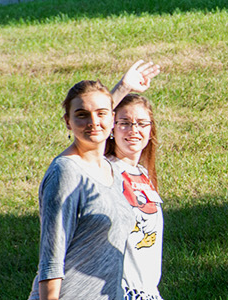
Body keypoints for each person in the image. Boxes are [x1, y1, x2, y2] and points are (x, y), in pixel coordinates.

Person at [29, 61, 161, 300]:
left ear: (111, 118)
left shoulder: (110, 171)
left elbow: (98, 112)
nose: (93, 121)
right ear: (68, 122)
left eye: (101, 115)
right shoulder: (66, 171)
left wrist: (124, 87)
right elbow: (51, 259)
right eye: (81, 116)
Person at [104, 93, 164, 300]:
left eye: (141, 123)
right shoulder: (105, 169)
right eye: (125, 123)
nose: (134, 130)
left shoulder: (143, 174)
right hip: (119, 291)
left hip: (147, 292)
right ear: (111, 127)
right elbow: (93, 123)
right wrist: (123, 87)